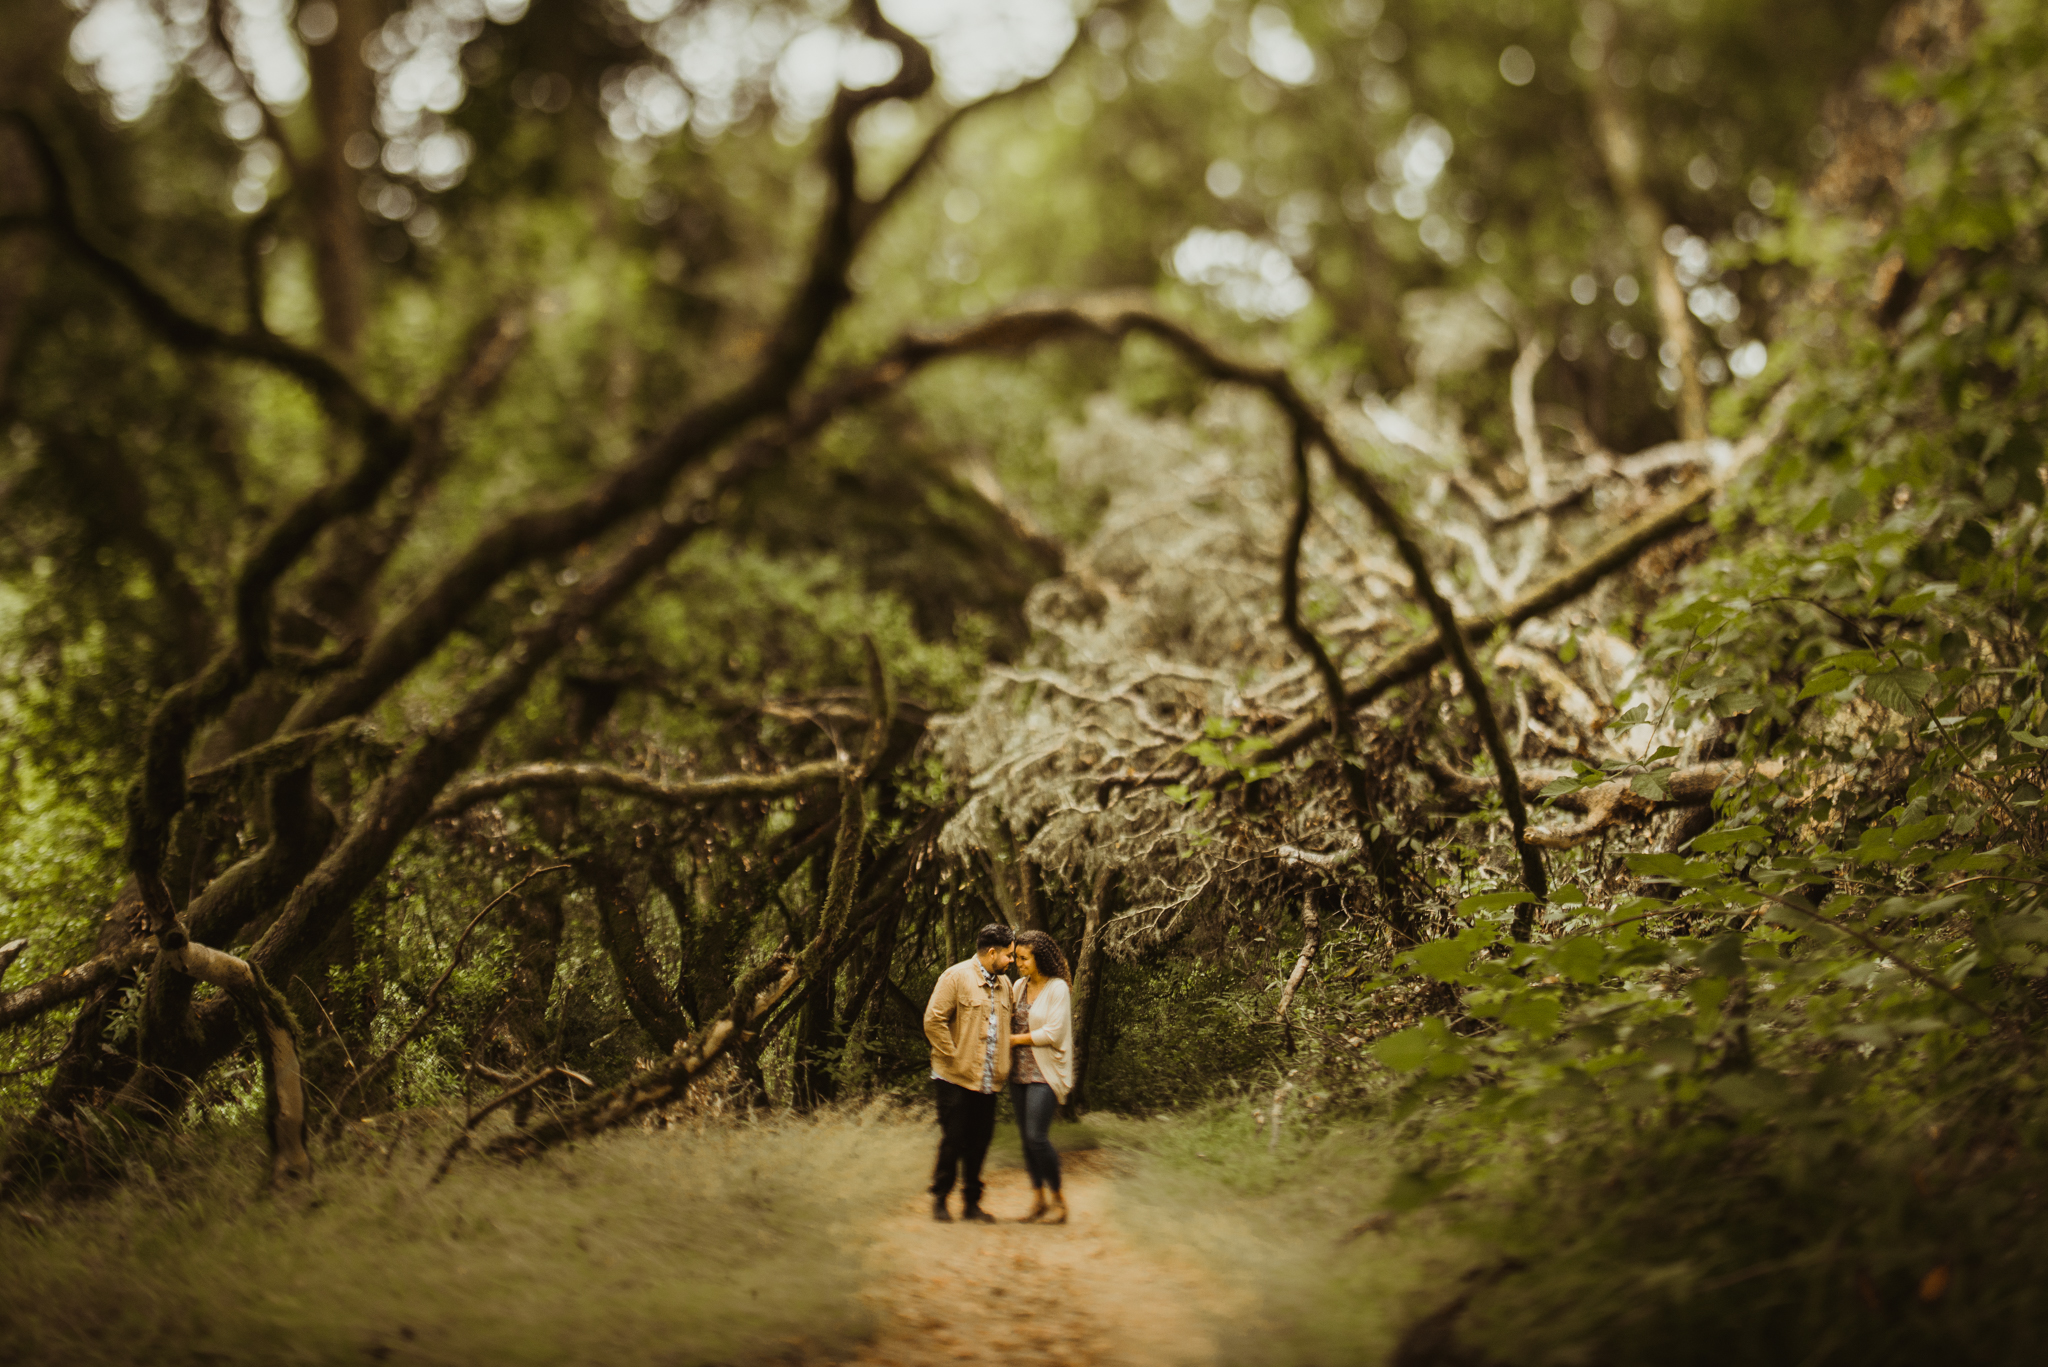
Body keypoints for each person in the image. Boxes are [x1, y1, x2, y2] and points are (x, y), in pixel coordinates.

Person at [923, 923, 1015, 1222]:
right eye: (1009, 956)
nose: (1011, 961)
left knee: (980, 1141)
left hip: (989, 1080)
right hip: (954, 1078)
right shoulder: (956, 976)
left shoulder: (1006, 986)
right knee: (954, 1138)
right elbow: (933, 1020)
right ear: (992, 953)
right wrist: (954, 1056)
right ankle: (940, 1198)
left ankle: (971, 1204)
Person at [1007, 929, 1076, 1224]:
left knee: (1037, 1137)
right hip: (1018, 1073)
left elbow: (1053, 1033)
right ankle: (1038, 1199)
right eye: (1017, 958)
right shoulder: (1018, 986)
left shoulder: (1057, 988)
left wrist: (1013, 1040)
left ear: (1040, 958)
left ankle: (1059, 1199)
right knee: (1025, 1139)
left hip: (1045, 1073)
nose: (1018, 963)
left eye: (1024, 958)